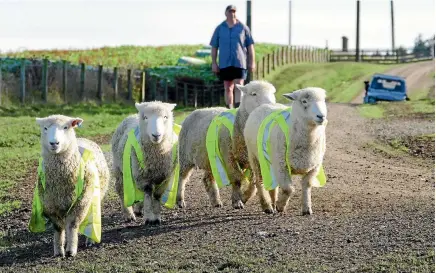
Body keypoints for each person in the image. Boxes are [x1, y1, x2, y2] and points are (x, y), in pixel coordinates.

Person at [209, 4, 256, 109]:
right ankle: (229, 109)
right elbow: (214, 47)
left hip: (240, 62)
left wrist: (252, 62)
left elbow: (250, 46)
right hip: (225, 62)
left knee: (239, 86)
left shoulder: (243, 28)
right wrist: (214, 63)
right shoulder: (220, 28)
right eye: (230, 11)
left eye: (234, 11)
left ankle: (239, 108)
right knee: (228, 87)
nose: (232, 13)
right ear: (226, 13)